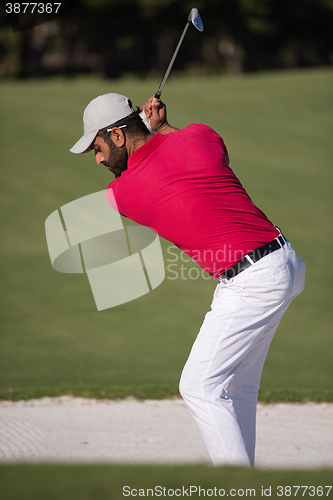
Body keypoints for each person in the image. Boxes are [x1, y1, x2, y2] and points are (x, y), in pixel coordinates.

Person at [70, 93, 306, 467]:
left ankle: (235, 491)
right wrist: (164, 129)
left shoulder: (121, 194)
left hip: (253, 280)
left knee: (198, 387)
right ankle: (246, 485)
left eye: (97, 147)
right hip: (282, 261)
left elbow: (146, 172)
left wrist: (155, 133)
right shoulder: (198, 136)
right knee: (235, 388)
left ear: (117, 136)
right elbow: (206, 150)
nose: (98, 159)